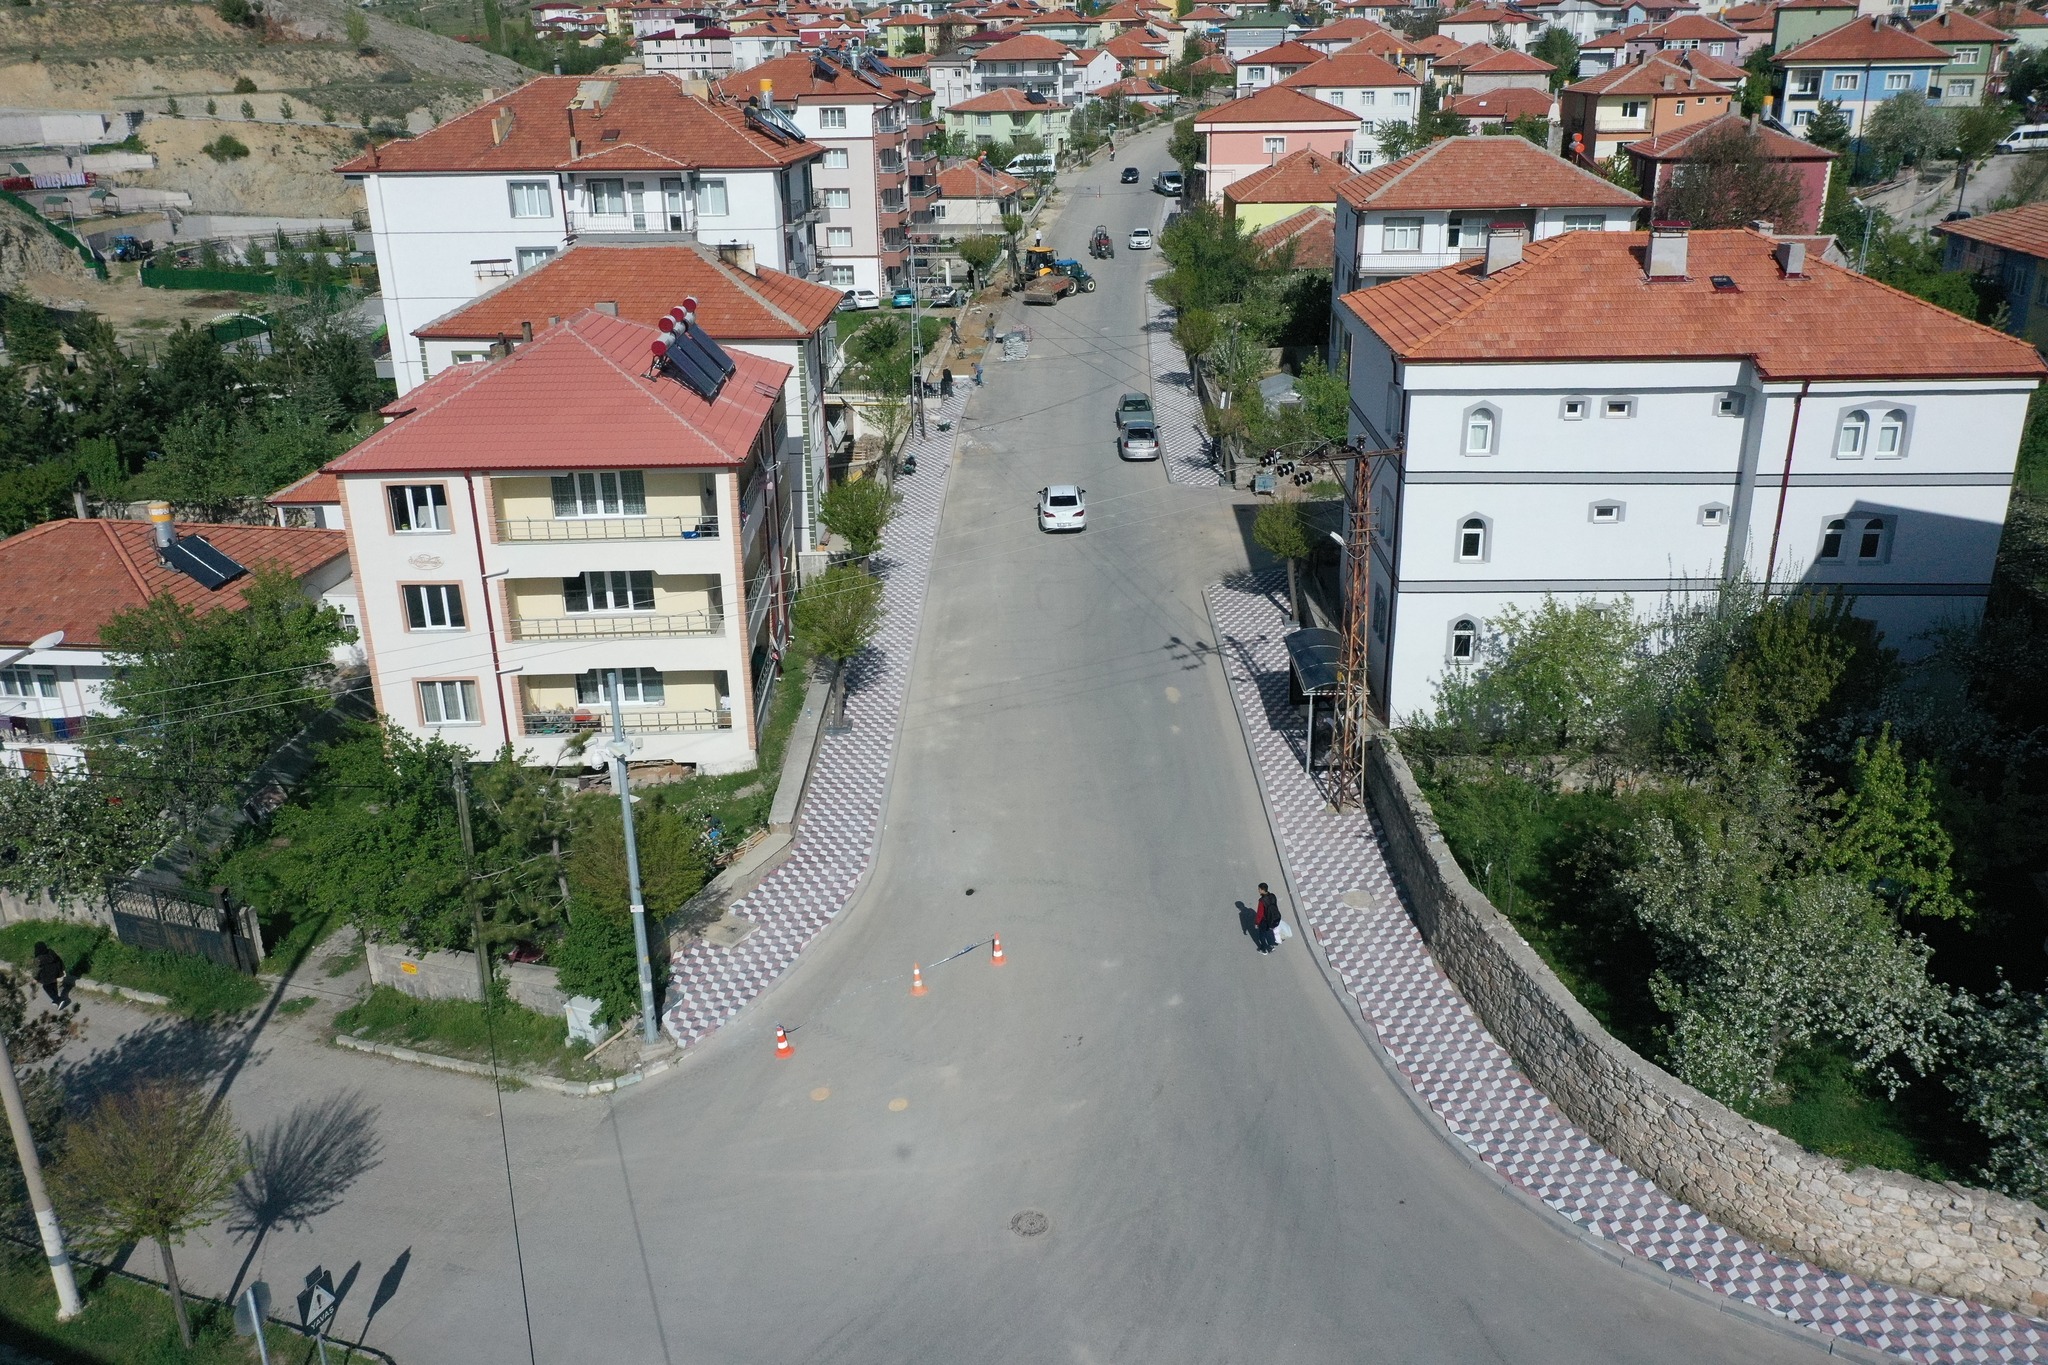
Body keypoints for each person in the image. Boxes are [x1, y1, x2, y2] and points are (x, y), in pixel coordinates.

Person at [31, 940, 67, 1004]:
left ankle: (58, 1000)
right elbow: (59, 960)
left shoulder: (38, 959)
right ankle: (56, 999)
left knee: (46, 987)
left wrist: (35, 978)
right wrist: (63, 969)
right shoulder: (51, 953)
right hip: (55, 973)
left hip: (46, 976)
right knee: (53, 985)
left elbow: (37, 970)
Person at [1254, 884, 1281, 954]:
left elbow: (1260, 914)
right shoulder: (1273, 896)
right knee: (1267, 932)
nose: (1258, 890)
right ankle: (1270, 946)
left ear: (1262, 890)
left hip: (1264, 920)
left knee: (1261, 935)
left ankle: (1265, 949)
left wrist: (1257, 923)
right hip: (1272, 919)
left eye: (1259, 889)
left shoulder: (1262, 901)